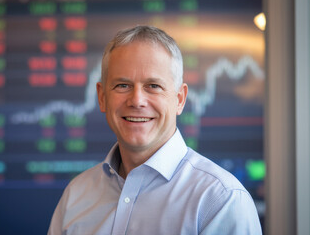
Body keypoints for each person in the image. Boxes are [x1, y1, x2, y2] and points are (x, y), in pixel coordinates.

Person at [48, 25, 262, 235]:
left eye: (153, 86)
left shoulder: (220, 201)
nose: (137, 100)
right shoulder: (75, 195)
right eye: (122, 85)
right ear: (102, 97)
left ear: (179, 99)